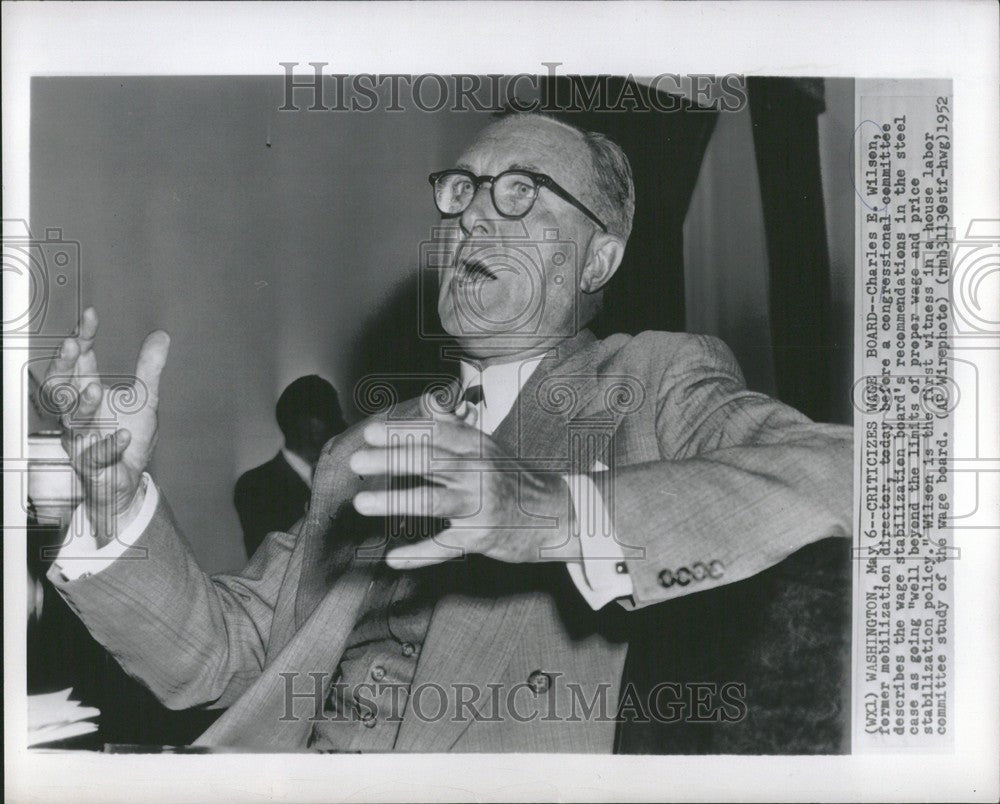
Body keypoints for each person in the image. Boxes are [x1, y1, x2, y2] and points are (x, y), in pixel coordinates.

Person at [43, 112, 852, 752]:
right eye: (462, 191)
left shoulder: (652, 380)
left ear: (599, 262)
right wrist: (113, 500)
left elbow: (850, 474)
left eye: (521, 194)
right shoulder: (364, 449)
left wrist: (554, 513)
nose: (472, 220)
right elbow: (219, 658)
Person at [234, 376, 347, 558]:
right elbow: (273, 559)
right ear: (312, 426)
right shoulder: (254, 486)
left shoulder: (339, 477)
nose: (343, 428)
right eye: (335, 418)